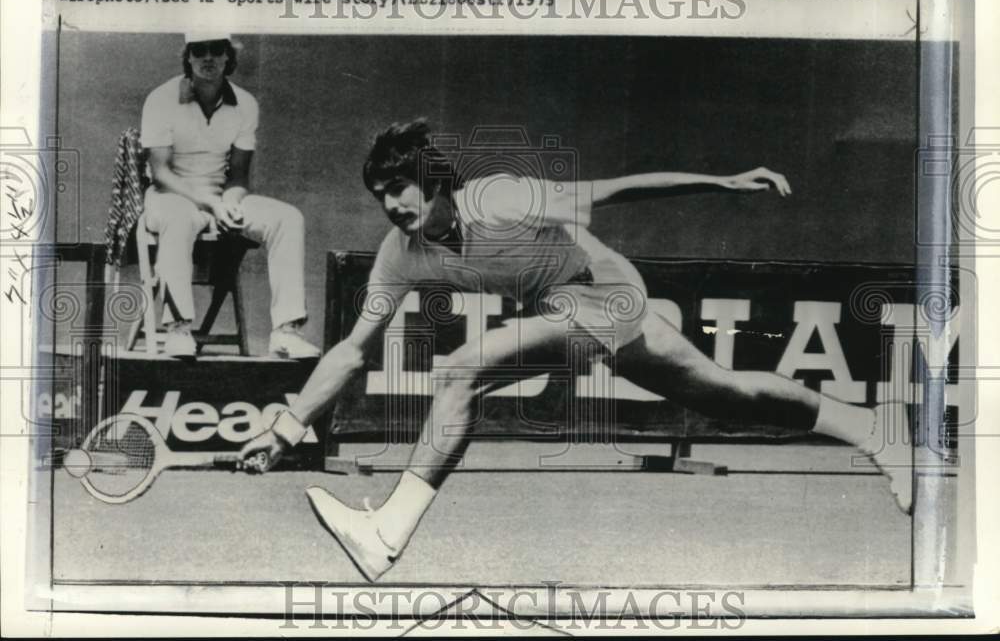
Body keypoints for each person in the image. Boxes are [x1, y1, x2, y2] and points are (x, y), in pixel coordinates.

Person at [238, 120, 913, 581]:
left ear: (434, 181)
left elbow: (612, 191)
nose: (390, 205)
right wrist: (288, 426)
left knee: (464, 368)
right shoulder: (400, 254)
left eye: (399, 189)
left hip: (603, 290)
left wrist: (724, 182)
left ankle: (388, 532)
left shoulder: (500, 200)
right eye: (380, 195)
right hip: (563, 306)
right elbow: (351, 351)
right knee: (722, 390)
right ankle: (866, 425)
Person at [140, 31, 319, 359]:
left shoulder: (246, 104)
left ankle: (286, 332)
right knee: (179, 218)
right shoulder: (160, 99)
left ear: (228, 56)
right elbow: (161, 173)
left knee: (287, 218)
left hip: (220, 198)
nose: (208, 58)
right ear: (188, 57)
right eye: (199, 51)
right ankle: (178, 329)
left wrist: (230, 204)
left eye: (216, 50)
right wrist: (211, 204)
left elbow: (238, 176)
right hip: (170, 197)